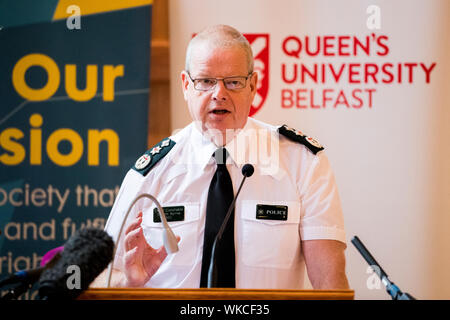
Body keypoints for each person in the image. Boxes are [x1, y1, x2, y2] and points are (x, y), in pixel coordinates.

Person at [94, 25, 349, 290]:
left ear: (253, 85)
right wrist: (128, 283)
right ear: (185, 85)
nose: (219, 94)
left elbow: (330, 286)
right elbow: (104, 279)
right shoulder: (150, 173)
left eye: (233, 82)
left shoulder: (302, 163)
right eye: (205, 81)